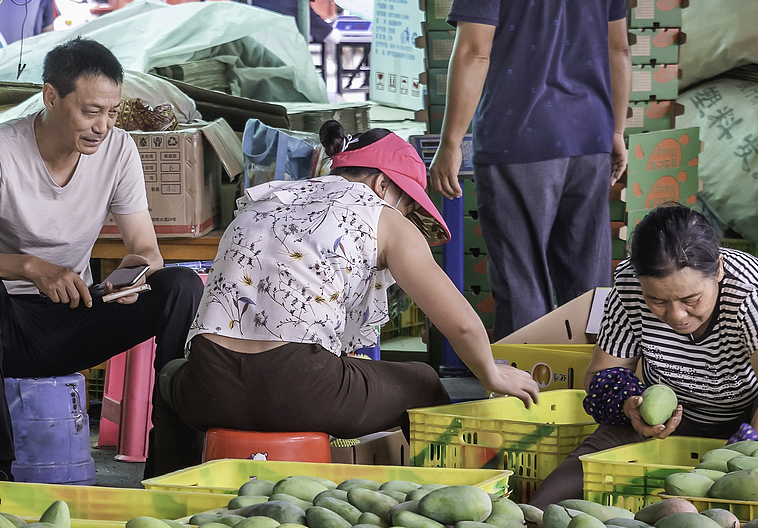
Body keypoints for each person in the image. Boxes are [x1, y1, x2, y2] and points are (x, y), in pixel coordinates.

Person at [158, 126, 540, 471]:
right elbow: (461, 322)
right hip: (302, 388)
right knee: (423, 381)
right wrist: (489, 371)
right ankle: (434, 498)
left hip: (209, 387)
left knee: (170, 375)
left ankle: (165, 489)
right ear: (383, 185)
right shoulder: (384, 217)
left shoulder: (266, 199)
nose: (405, 213)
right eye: (408, 203)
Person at [0, 39, 203, 480]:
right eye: (90, 111)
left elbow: (147, 249)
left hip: (77, 313)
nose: (103, 126)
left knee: (181, 287)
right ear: (51, 97)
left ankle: (172, 460)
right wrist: (28, 267)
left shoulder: (119, 150)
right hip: (6, 329)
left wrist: (130, 276)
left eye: (112, 112)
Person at [425, 0, 632, 340]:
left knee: (522, 283)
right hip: (588, 137)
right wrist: (616, 131)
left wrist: (451, 144)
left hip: (519, 139)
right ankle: (596, 397)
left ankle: (533, 405)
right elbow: (619, 48)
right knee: (589, 287)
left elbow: (474, 52)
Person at [530, 205, 758, 508]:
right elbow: (601, 374)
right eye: (656, 301)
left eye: (691, 299)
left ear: (718, 268)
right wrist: (630, 406)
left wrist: (725, 478)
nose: (676, 316)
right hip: (677, 415)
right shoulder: (628, 284)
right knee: (558, 495)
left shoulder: (751, 291)